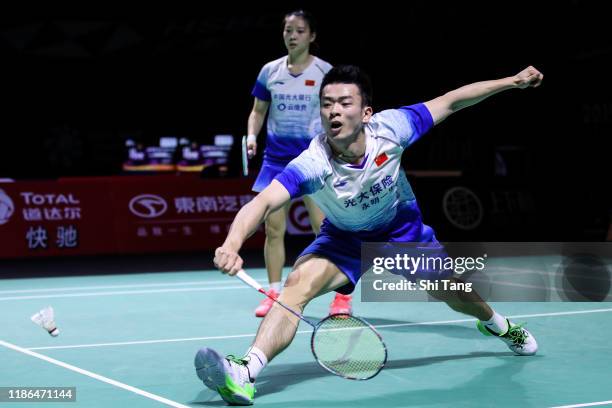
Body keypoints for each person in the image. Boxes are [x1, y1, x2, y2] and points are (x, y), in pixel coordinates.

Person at [197, 64, 544, 405]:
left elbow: (451, 101)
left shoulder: (392, 128)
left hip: (401, 230)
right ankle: (245, 372)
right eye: (327, 103)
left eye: (344, 103)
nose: (334, 111)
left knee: (456, 294)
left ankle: (498, 325)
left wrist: (512, 82)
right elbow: (263, 203)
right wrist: (231, 243)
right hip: (346, 238)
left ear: (365, 112)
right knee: (297, 285)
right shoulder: (313, 163)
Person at [245, 10, 352, 318]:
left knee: (325, 230)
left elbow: (339, 111)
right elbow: (258, 110)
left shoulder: (325, 72)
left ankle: (341, 298)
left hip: (314, 159)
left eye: (299, 31)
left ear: (312, 36)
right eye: (288, 30)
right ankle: (274, 292)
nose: (292, 36)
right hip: (276, 161)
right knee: (273, 229)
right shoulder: (270, 71)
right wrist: (252, 135)